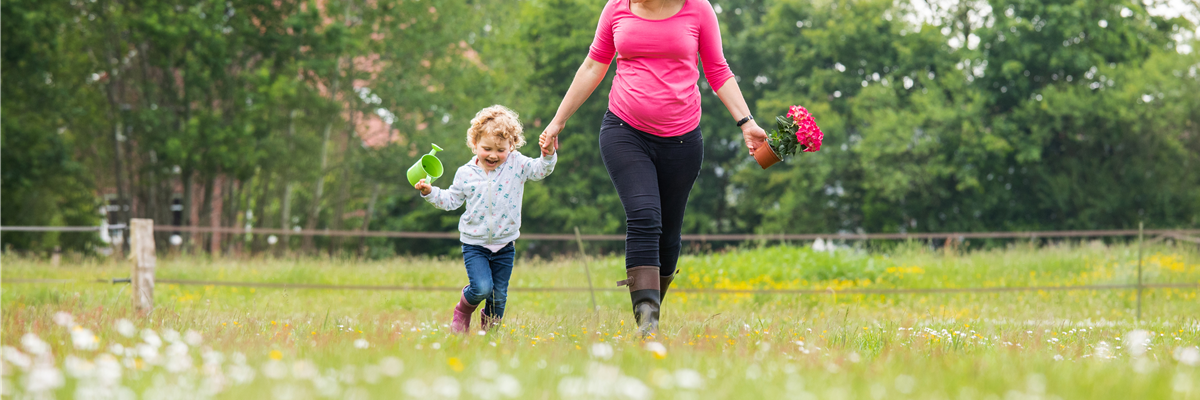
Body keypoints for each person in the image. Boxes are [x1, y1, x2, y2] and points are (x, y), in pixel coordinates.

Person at [538, 0, 768, 335]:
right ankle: (647, 323)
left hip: (682, 140)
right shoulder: (617, 8)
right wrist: (558, 121)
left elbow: (717, 69)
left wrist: (746, 122)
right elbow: (593, 66)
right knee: (645, 215)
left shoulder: (698, 9)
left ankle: (653, 307)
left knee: (669, 233)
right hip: (624, 129)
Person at [416, 105, 558, 333]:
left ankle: (490, 336)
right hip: (475, 244)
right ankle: (463, 310)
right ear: (474, 144)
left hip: (505, 244)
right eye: (487, 148)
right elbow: (452, 200)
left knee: (499, 295)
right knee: (482, 288)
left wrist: (548, 154)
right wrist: (430, 192)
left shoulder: (517, 164)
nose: (493, 155)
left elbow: (540, 170)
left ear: (512, 146)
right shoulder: (465, 173)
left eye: (501, 149)